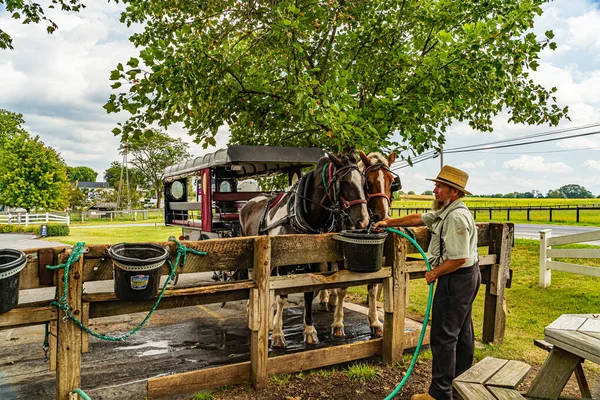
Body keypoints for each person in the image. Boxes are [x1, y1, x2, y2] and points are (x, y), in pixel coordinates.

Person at [374, 165, 480, 400]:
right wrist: (388, 222)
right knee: (461, 332)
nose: (434, 190)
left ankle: (440, 394)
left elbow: (459, 258)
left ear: (453, 192)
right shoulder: (446, 211)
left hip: (456, 279)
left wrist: (434, 273)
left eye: (439, 187)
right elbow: (416, 218)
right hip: (465, 278)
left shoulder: (456, 217)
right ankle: (461, 386)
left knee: (444, 335)